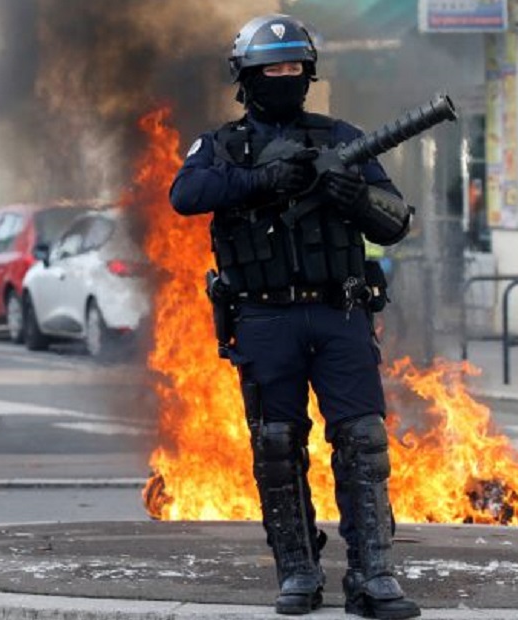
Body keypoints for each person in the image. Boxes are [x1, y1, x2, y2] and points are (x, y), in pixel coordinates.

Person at [169, 14, 419, 619]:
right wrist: (260, 180)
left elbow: (397, 221)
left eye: (293, 69)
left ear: (308, 75)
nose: (283, 79)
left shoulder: (342, 139)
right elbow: (186, 195)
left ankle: (373, 575)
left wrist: (352, 196)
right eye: (270, 70)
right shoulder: (221, 147)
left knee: (362, 442)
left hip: (339, 313)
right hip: (264, 319)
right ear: (246, 79)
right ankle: (299, 571)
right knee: (276, 447)